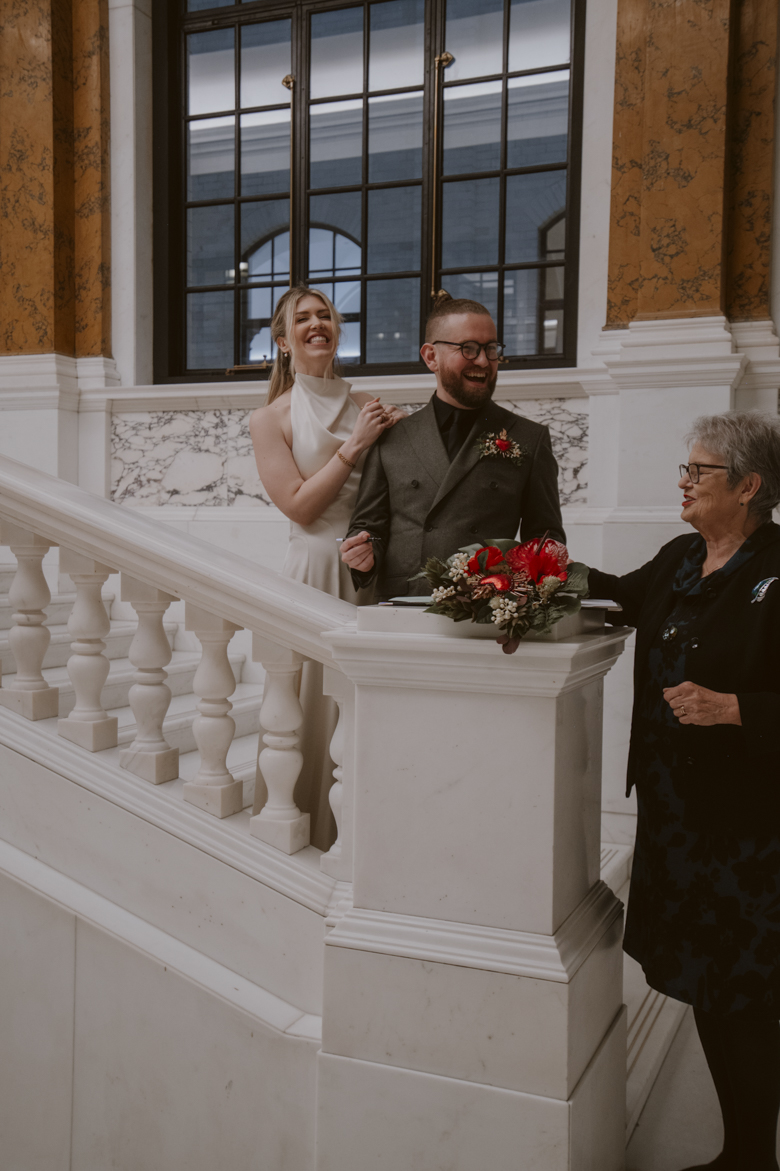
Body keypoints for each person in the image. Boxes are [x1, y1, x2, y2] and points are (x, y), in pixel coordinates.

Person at [588, 411, 780, 1171]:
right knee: (706, 982)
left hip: (750, 829)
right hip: (677, 819)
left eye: (698, 471)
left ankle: (754, 1156)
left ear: (749, 485)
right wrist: (535, 571)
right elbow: (618, 596)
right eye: (686, 469)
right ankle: (739, 1153)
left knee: (748, 996)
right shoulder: (680, 557)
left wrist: (737, 708)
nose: (684, 483)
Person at [249, 285, 401, 849]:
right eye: (303, 318)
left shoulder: (371, 404)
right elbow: (299, 506)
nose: (317, 324)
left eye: (325, 315)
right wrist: (355, 446)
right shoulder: (269, 419)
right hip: (312, 571)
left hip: (370, 572)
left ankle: (362, 835)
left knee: (364, 706)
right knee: (309, 707)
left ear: (337, 330)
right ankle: (300, 826)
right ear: (283, 341)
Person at [340, 293, 564, 597]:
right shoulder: (391, 437)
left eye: (491, 349)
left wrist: (529, 592)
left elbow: (544, 539)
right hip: (404, 605)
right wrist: (363, 555)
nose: (483, 361)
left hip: (486, 608)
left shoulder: (529, 438)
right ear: (431, 357)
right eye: (468, 349)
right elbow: (368, 527)